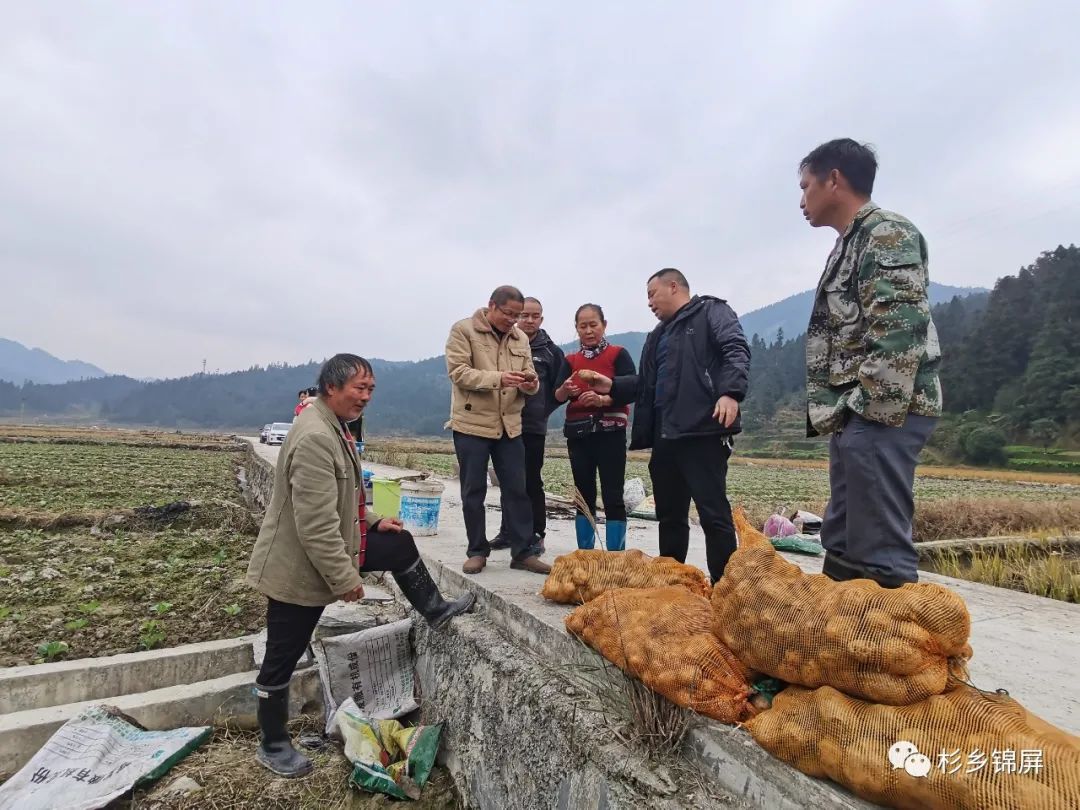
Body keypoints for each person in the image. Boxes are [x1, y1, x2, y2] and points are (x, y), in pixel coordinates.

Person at [246, 354, 474, 778]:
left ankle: (436, 610)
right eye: (359, 388)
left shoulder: (332, 425)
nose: (366, 397)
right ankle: (273, 743)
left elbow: (341, 497)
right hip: (299, 566)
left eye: (371, 389)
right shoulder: (315, 435)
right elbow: (315, 525)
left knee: (399, 543)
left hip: (335, 543)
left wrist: (372, 520)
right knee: (283, 653)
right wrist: (346, 579)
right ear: (332, 387)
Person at [798, 138, 941, 587]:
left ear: (834, 180)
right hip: (856, 413)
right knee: (843, 535)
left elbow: (899, 331)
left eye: (806, 187)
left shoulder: (885, 233)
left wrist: (864, 410)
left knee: (877, 542)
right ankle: (845, 634)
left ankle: (893, 647)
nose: (802, 200)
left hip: (882, 410)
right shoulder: (847, 244)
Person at [588, 269, 750, 583]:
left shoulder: (711, 313)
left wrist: (730, 393)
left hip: (703, 430)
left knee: (712, 514)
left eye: (652, 293)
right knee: (670, 516)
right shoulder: (658, 335)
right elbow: (646, 384)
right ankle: (672, 583)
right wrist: (612, 386)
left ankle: (725, 588)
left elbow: (735, 350)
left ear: (673, 286)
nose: (649, 302)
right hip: (666, 435)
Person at [445, 286, 550, 575]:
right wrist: (500, 378)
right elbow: (458, 372)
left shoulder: (520, 339)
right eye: (508, 314)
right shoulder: (464, 331)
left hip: (510, 425)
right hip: (472, 424)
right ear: (492, 306)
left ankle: (523, 552)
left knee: (518, 489)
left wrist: (530, 384)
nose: (513, 321)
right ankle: (477, 551)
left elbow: (531, 376)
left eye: (517, 315)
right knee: (474, 490)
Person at [552, 304, 635, 551]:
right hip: (579, 434)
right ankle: (586, 555)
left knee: (612, 493)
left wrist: (602, 400)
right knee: (583, 494)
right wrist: (566, 390)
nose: (588, 331)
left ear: (604, 325)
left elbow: (630, 390)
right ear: (576, 328)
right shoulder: (571, 361)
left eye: (593, 325)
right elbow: (557, 396)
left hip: (610, 433)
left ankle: (615, 557)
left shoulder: (619, 355)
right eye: (583, 326)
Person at [489, 296, 565, 555]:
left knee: (531, 481)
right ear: (516, 316)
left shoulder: (552, 352)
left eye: (535, 316)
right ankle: (508, 532)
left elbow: (557, 391)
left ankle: (536, 534)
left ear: (541, 319)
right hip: (505, 423)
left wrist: (542, 411)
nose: (529, 320)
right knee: (508, 479)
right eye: (524, 315)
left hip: (533, 427)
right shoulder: (503, 344)